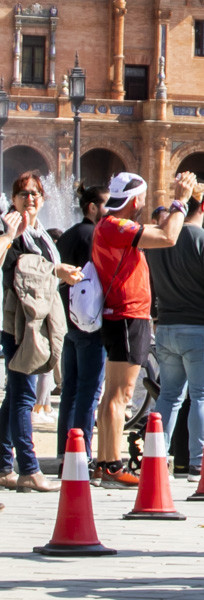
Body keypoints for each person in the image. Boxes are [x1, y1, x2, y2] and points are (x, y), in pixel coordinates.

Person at [92, 170, 198, 488]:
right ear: (136, 200)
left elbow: (161, 230)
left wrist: (171, 210)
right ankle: (111, 466)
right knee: (121, 394)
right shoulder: (116, 226)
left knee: (112, 394)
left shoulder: (111, 226)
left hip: (121, 316)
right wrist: (180, 200)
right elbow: (168, 237)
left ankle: (104, 463)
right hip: (128, 316)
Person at [145, 182, 204, 477]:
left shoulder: (159, 241)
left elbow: (151, 286)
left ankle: (157, 457)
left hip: (167, 328)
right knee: (202, 397)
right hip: (202, 328)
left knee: (169, 396)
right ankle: (199, 461)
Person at [0, 173, 80, 493]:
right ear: (13, 199)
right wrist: (9, 233)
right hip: (17, 324)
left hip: (36, 321)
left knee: (15, 395)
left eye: (35, 193)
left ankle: (4, 465)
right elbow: (18, 268)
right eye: (23, 194)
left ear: (43, 199)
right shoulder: (12, 234)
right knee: (23, 395)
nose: (30, 198)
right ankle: (29, 469)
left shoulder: (40, 235)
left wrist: (61, 272)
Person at [54, 184, 107, 473]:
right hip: (88, 323)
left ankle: (66, 453)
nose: (108, 211)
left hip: (68, 321)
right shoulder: (92, 236)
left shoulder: (71, 234)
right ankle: (82, 453)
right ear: (92, 207)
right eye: (105, 205)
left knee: (70, 390)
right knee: (89, 390)